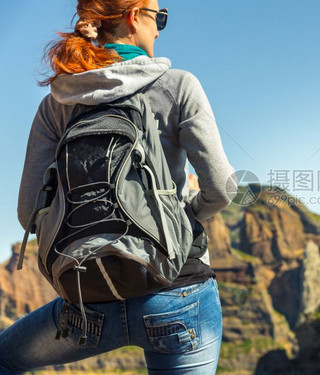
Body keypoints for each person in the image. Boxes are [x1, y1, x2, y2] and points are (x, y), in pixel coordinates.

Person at [0, 0, 236, 373]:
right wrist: (182, 212)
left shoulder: (57, 102)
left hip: (87, 294)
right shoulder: (178, 85)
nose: (159, 28)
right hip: (177, 291)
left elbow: (28, 212)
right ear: (133, 16)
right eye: (159, 16)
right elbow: (222, 188)